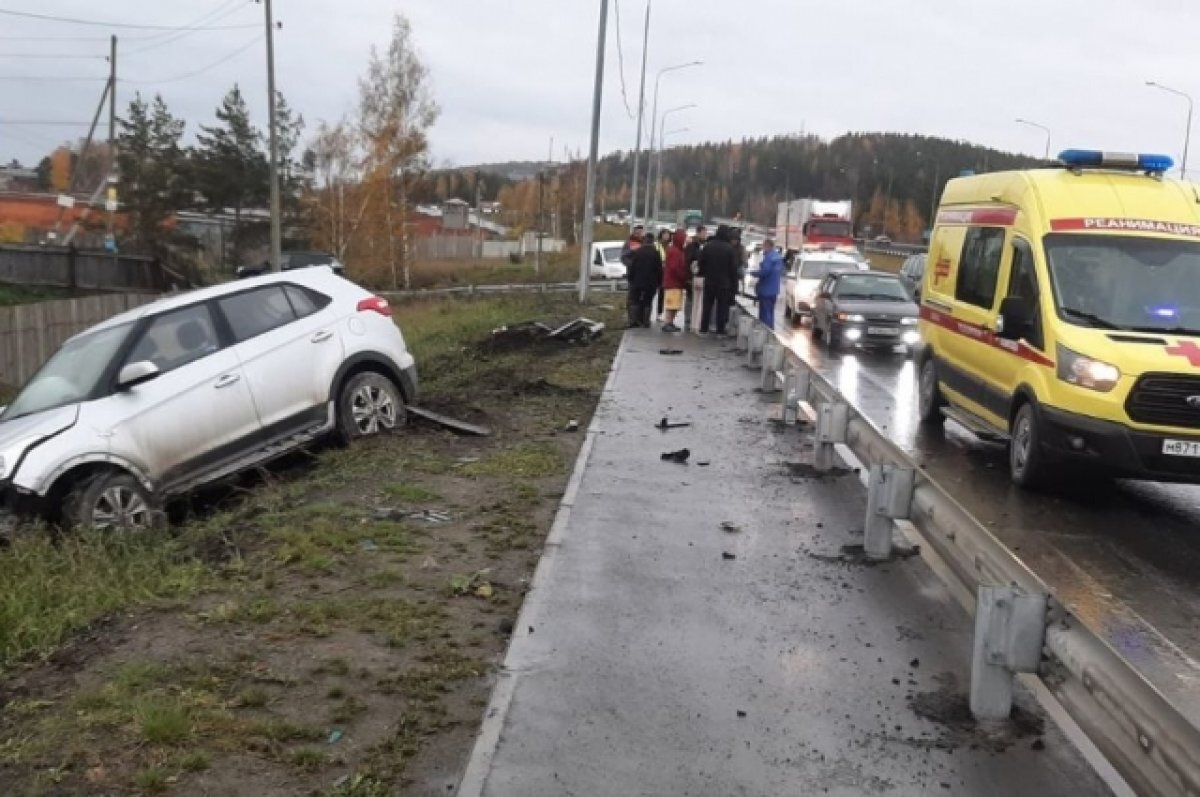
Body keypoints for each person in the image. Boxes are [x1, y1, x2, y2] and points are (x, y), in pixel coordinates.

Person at [698, 225, 737, 335]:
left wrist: (703, 273)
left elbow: (701, 264)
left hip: (709, 281)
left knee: (707, 306)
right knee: (722, 307)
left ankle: (703, 328)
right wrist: (734, 287)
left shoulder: (708, 246)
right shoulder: (729, 249)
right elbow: (733, 269)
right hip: (724, 283)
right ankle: (720, 330)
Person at [627, 232, 663, 328]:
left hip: (637, 281)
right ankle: (646, 322)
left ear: (644, 240)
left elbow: (632, 267)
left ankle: (634, 321)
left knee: (635, 300)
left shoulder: (638, 252)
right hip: (651, 282)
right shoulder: (656, 253)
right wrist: (659, 282)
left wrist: (630, 279)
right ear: (652, 241)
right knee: (648, 301)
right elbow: (659, 269)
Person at [749, 238, 784, 329]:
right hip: (774, 290)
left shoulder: (769, 258)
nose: (763, 248)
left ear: (767, 246)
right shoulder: (777, 257)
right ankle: (771, 332)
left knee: (764, 314)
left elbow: (765, 272)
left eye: (764, 246)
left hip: (765, 289)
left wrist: (753, 273)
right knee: (770, 312)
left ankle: (765, 332)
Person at [662, 229, 690, 332]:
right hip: (673, 282)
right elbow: (674, 268)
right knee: (671, 304)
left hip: (674, 282)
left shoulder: (675, 250)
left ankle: (670, 322)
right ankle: (667, 323)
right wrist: (682, 276)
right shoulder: (675, 251)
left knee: (674, 304)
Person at [685, 226, 708, 332]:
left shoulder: (705, 245)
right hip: (692, 276)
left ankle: (694, 323)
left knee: (697, 300)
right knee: (691, 299)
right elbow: (688, 260)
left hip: (699, 276)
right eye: (703, 233)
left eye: (705, 233)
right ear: (698, 233)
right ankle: (688, 320)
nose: (705, 235)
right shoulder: (692, 246)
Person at [654, 228, 672, 320]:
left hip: (666, 272)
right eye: (665, 234)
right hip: (657, 271)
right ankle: (656, 312)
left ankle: (661, 313)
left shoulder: (670, 246)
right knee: (656, 292)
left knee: (663, 293)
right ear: (661, 235)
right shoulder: (657, 245)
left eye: (668, 234)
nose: (667, 236)